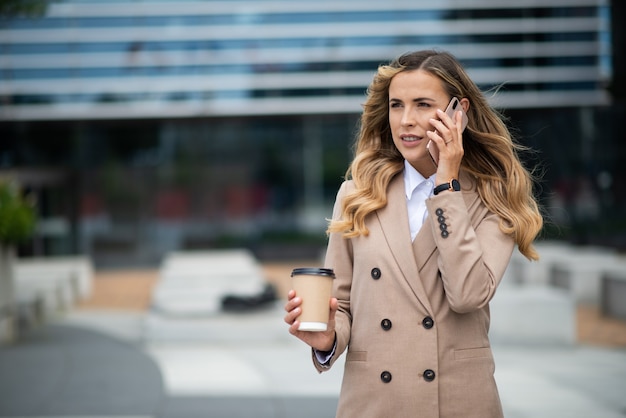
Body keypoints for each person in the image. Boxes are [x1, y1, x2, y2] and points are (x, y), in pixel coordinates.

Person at [284, 49, 543, 418]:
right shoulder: (357, 194)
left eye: (423, 105)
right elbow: (340, 305)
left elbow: (468, 294)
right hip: (373, 401)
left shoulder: (492, 196)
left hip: (456, 401)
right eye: (396, 105)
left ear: (459, 112)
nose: (406, 120)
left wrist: (447, 186)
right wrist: (327, 338)